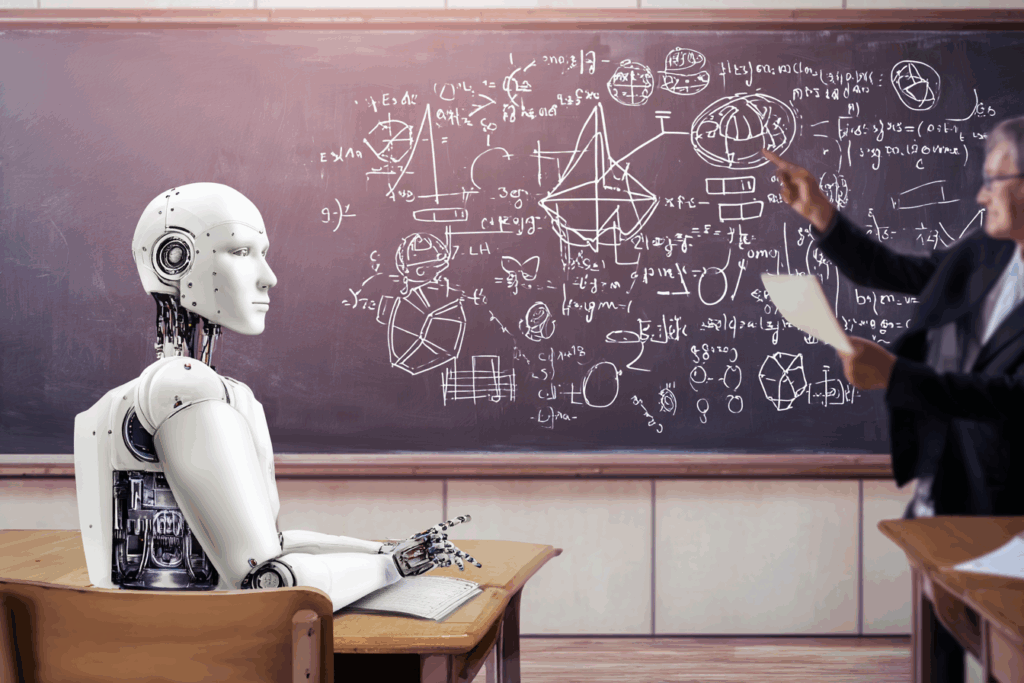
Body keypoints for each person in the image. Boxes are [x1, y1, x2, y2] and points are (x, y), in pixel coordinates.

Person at [74, 182, 479, 610]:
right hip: (194, 650)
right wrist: (394, 567)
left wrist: (383, 552)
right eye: (241, 252)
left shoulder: (203, 393)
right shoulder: (184, 387)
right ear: (174, 257)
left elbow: (272, 542)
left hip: (152, 637)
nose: (268, 278)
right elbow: (265, 581)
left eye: (261, 253)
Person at [764, 116, 1024, 682]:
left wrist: (896, 375)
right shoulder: (989, 251)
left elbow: (1014, 397)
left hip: (1011, 495)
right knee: (939, 633)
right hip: (949, 473)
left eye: (995, 179)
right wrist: (823, 217)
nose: (981, 194)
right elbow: (901, 272)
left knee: (1008, 646)